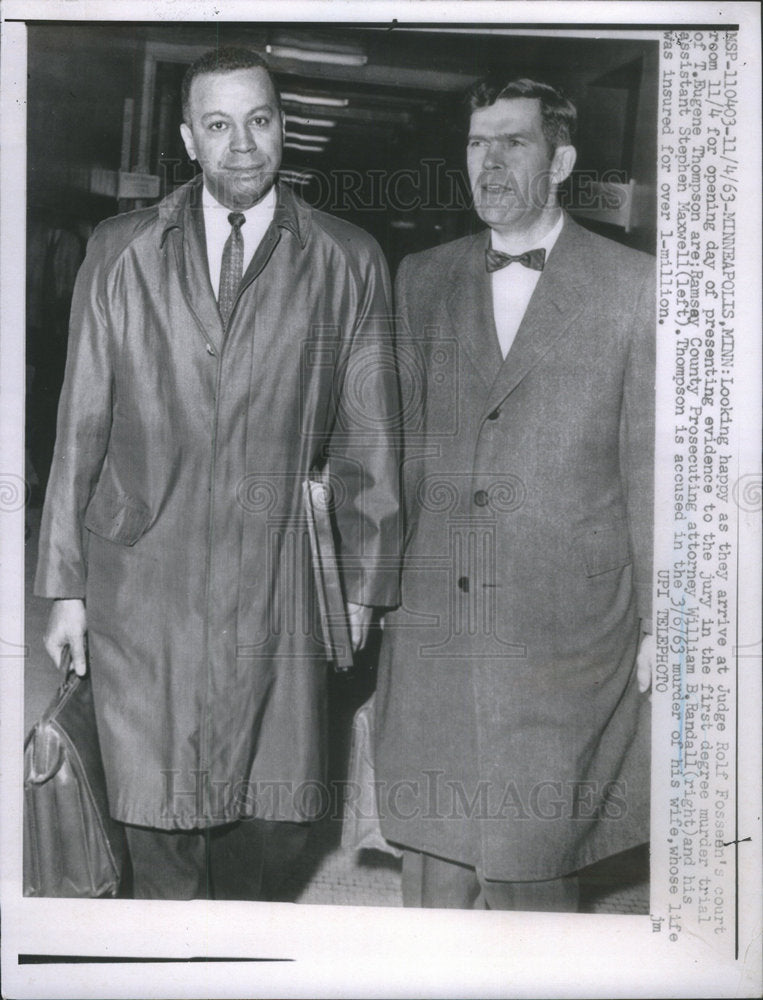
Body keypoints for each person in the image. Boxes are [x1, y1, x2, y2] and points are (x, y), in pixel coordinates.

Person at [34, 46, 400, 900]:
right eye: (219, 124)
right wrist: (65, 586)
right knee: (148, 796)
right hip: (142, 567)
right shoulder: (121, 250)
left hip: (280, 569)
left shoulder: (347, 258)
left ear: (280, 128)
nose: (243, 144)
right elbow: (78, 424)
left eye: (260, 120)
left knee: (275, 810)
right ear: (189, 140)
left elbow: (371, 438)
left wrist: (364, 582)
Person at [375, 77, 655, 911]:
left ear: (560, 159)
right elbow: (397, 450)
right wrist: (378, 588)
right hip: (437, 615)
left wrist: (660, 619)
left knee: (535, 865)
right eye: (475, 143)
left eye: (513, 143)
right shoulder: (419, 277)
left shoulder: (633, 286)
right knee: (434, 861)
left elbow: (652, 467)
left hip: (564, 628)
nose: (487, 163)